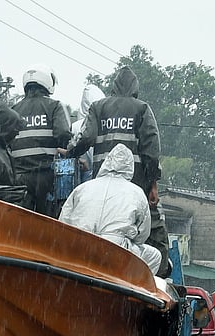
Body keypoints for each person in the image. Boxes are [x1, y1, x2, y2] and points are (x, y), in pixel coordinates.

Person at [68, 65, 169, 275]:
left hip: (100, 183)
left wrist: (68, 152)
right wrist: (153, 184)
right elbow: (151, 151)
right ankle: (159, 279)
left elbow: (85, 138)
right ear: (135, 89)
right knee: (153, 227)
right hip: (136, 184)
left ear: (113, 87)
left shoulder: (98, 107)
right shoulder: (141, 109)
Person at [57, 144, 161, 274]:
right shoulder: (137, 193)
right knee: (155, 256)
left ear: (106, 163)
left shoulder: (82, 188)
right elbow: (142, 235)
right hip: (115, 252)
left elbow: (62, 224)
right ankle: (127, 288)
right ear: (130, 167)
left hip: (79, 247)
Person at [10, 65, 72, 217]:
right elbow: (64, 133)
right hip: (46, 176)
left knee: (22, 220)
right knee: (47, 220)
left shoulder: (14, 110)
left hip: (18, 178)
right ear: (47, 84)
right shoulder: (55, 106)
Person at [68, 84, 105, 187]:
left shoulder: (75, 126)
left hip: (81, 178)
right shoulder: (105, 123)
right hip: (102, 175)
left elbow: (70, 151)